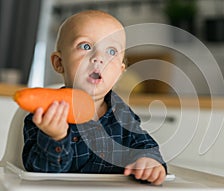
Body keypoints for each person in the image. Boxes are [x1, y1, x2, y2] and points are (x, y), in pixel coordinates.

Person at [22, 10, 167, 185]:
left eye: (111, 51)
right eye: (85, 46)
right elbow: (39, 174)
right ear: (59, 63)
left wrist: (149, 162)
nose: (99, 58)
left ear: (120, 72)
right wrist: (55, 137)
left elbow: (145, 147)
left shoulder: (122, 115)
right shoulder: (45, 116)